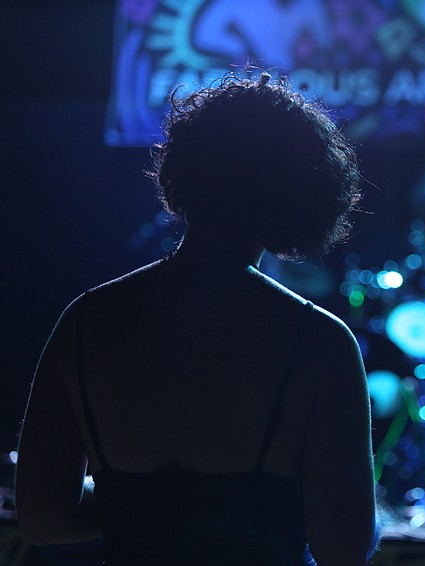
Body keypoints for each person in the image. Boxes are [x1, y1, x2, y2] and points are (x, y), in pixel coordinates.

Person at [16, 73, 377, 565]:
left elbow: (43, 521)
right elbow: (344, 546)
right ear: (306, 186)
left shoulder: (85, 322)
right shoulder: (319, 341)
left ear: (183, 171)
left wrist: (142, 508)